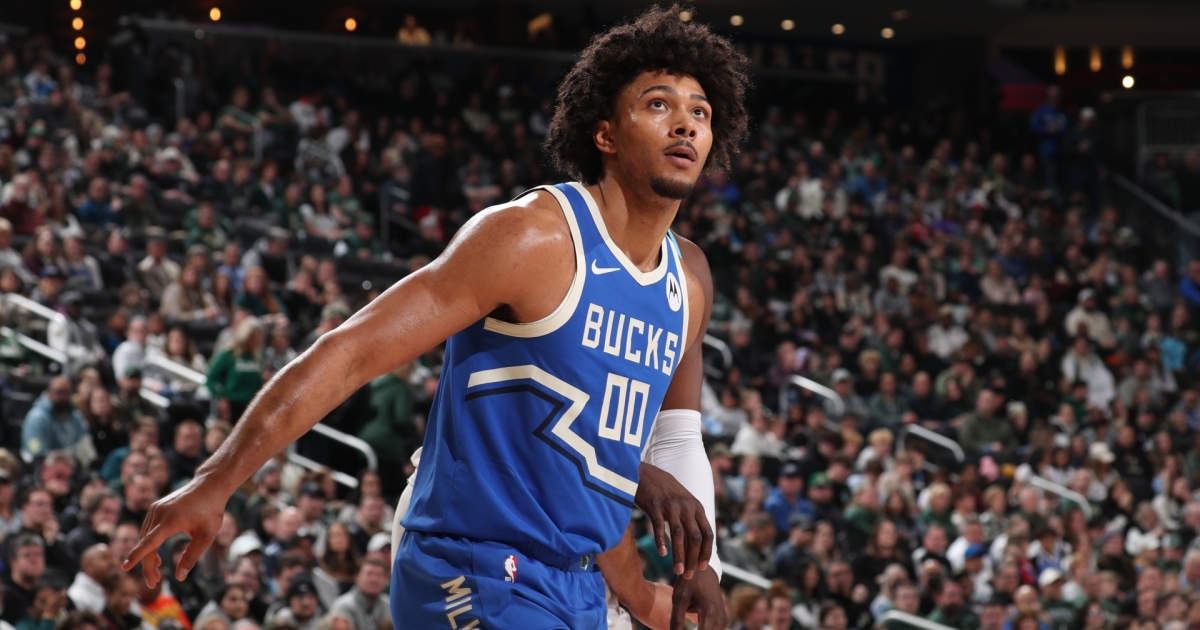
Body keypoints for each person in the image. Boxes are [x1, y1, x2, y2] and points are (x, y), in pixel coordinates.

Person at [128, 7, 745, 629]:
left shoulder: (689, 280)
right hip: (471, 560)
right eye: (659, 104)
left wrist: (702, 567)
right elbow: (352, 352)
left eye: (700, 113)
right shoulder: (532, 238)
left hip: (577, 580)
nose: (686, 125)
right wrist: (215, 481)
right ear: (605, 135)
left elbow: (675, 438)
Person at [327, 559, 388, 630]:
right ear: (357, 577)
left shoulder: (389, 606)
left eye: (379, 575)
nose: (374, 579)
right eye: (369, 574)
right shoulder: (342, 606)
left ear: (386, 580)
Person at [68, 545, 119, 613]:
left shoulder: (115, 586)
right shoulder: (77, 596)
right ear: (88, 566)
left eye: (112, 557)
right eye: (105, 557)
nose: (113, 562)